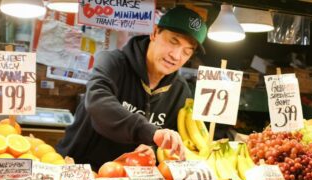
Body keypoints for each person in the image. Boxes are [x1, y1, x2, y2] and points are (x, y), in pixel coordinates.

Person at [56, 7, 207, 170]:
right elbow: (98, 102)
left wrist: (153, 149)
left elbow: (169, 142)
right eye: (173, 41)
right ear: (155, 33)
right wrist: (151, 133)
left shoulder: (180, 91)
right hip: (79, 170)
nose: (176, 56)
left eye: (186, 51)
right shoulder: (112, 62)